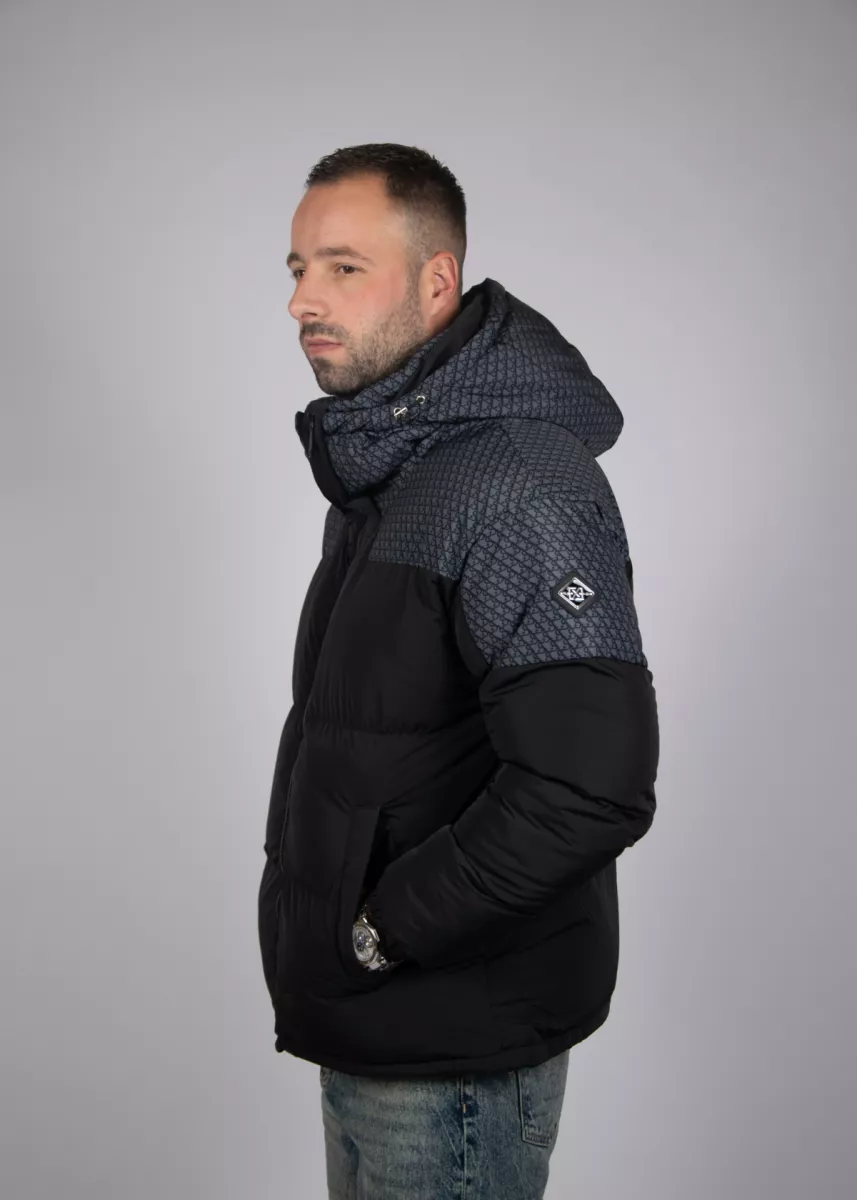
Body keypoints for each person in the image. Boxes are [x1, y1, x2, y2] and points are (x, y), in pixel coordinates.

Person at [257, 142, 660, 1199]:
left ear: (437, 280)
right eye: (297, 269)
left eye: (344, 267)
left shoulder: (515, 483)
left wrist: (381, 932)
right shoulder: (400, 469)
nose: (303, 300)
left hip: (452, 1060)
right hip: (379, 1032)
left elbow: (587, 789)